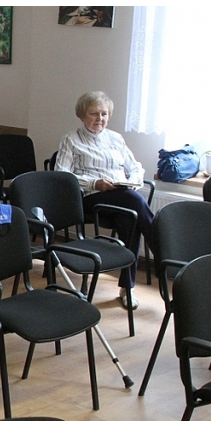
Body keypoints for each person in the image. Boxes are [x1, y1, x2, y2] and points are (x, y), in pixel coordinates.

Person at [54, 91, 154, 310]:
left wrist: (133, 181)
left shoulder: (116, 138)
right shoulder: (71, 139)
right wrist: (94, 183)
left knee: (132, 220)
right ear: (82, 115)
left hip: (121, 197)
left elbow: (135, 167)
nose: (100, 118)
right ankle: (162, 249)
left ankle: (127, 288)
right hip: (91, 198)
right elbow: (61, 176)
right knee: (134, 202)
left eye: (104, 114)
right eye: (94, 113)